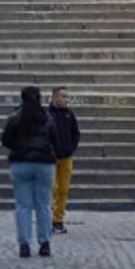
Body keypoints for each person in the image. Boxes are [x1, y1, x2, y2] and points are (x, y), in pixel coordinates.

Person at [0, 86, 56, 257]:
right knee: (43, 205)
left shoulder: (15, 117)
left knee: (23, 205)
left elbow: (5, 140)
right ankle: (44, 242)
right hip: (43, 163)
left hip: (20, 162)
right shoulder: (47, 117)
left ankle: (24, 244)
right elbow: (55, 139)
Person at [47, 88, 81, 233]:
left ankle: (58, 219)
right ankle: (48, 218)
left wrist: (71, 148)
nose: (66, 99)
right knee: (51, 188)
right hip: (50, 158)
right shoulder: (46, 114)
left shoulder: (69, 114)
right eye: (63, 96)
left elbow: (76, 133)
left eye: (67, 97)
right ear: (54, 98)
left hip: (66, 156)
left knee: (63, 189)